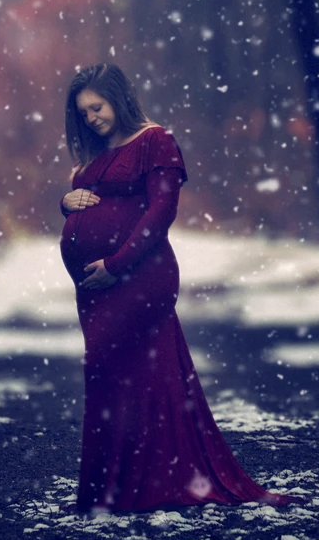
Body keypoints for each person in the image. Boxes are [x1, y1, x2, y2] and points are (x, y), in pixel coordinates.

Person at [57, 62, 294, 515]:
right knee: (114, 373)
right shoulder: (96, 153)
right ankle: (121, 485)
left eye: (97, 107)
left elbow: (161, 211)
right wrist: (66, 204)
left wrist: (117, 265)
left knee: (131, 370)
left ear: (118, 98)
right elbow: (87, 199)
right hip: (96, 286)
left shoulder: (155, 141)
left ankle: (143, 483)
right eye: (83, 112)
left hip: (140, 276)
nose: (91, 118)